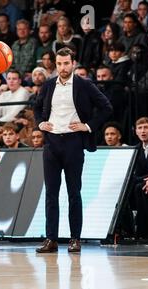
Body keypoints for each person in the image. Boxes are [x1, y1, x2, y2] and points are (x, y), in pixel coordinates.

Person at [33, 47, 112, 253]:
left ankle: (75, 238)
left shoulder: (84, 85)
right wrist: (40, 123)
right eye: (59, 63)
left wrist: (87, 126)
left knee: (73, 193)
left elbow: (106, 107)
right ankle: (51, 239)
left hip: (73, 143)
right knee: (51, 194)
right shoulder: (49, 85)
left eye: (66, 63)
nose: (63, 67)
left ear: (73, 63)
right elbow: (36, 106)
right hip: (51, 144)